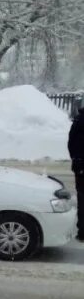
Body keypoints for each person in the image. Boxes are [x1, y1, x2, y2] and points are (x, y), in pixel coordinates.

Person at [67, 98, 84, 240]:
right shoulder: (80, 121)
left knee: (82, 199)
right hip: (81, 166)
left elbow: (71, 142)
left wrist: (76, 160)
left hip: (80, 166)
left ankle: (83, 232)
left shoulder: (79, 120)